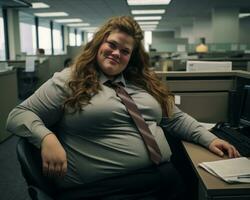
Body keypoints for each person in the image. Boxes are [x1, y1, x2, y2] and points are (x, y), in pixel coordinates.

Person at [6, 16, 240, 200]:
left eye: (125, 51)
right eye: (112, 44)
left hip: (164, 178)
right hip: (107, 190)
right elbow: (18, 115)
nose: (116, 53)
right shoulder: (69, 80)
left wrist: (208, 138)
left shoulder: (142, 83)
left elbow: (175, 118)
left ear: (132, 57)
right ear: (100, 43)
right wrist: (47, 137)